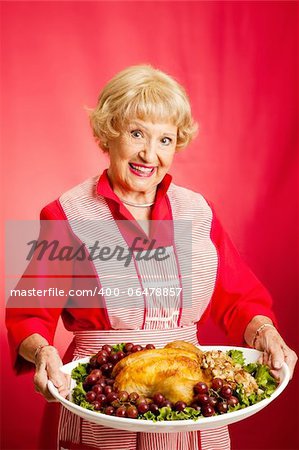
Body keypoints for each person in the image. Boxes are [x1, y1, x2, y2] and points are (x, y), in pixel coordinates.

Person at [6, 65, 297, 450]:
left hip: (192, 400)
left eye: (165, 140)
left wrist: (266, 333)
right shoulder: (66, 214)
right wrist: (43, 352)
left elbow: (239, 299)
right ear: (109, 133)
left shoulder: (197, 211)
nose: (149, 154)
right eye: (137, 133)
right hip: (103, 398)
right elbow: (29, 314)